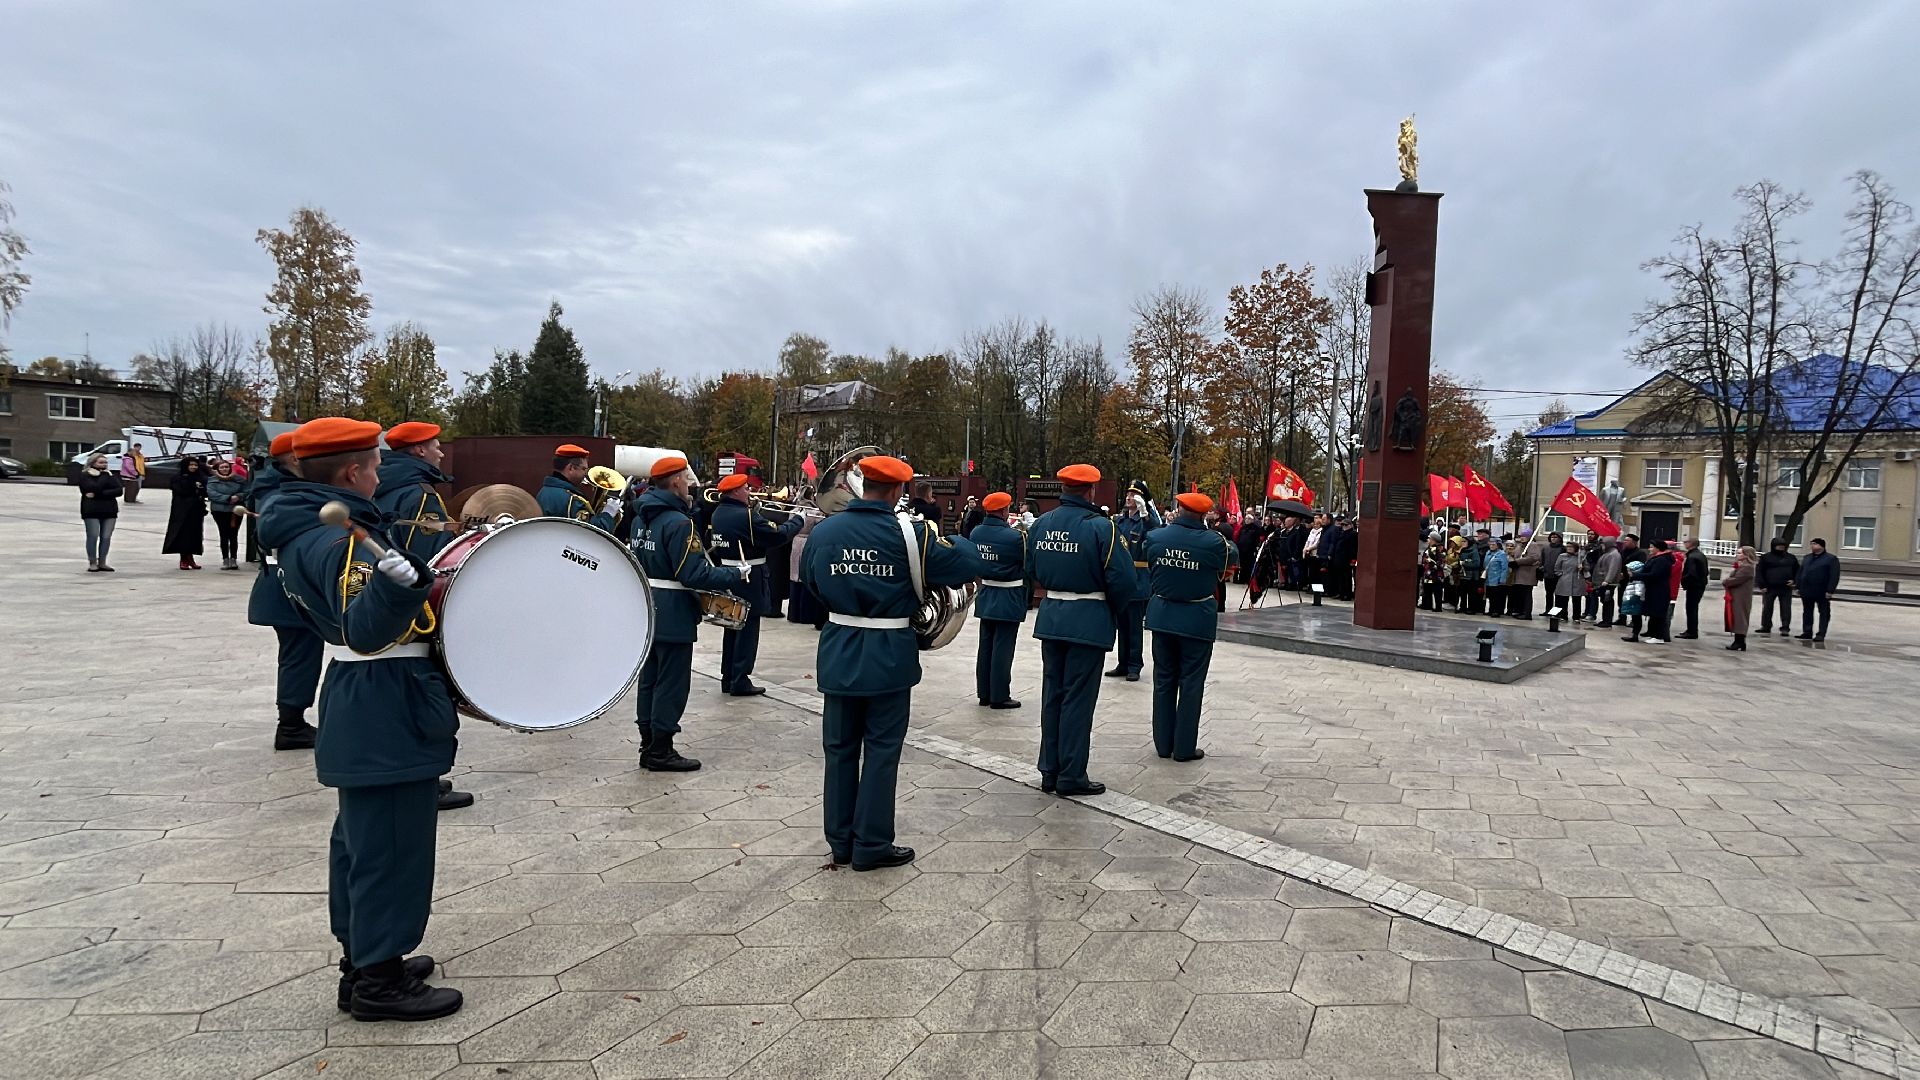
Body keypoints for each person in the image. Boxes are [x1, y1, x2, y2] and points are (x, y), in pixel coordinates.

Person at [262, 417, 459, 1022]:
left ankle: (366, 960)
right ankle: (379, 982)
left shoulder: (304, 524)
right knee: (391, 847)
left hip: (363, 696)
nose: (380, 473)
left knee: (361, 842)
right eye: (374, 465)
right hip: (383, 697)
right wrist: (399, 589)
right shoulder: (343, 539)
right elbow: (367, 630)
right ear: (353, 472)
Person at [801, 454, 984, 870]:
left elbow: (812, 584)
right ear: (899, 489)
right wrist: (950, 538)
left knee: (840, 750)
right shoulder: (911, 535)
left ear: (863, 485)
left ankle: (841, 843)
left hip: (839, 650)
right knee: (882, 751)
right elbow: (968, 563)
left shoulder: (825, 531)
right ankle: (872, 845)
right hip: (888, 656)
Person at [375, 422, 472, 811]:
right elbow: (428, 560)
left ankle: (405, 775)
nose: (441, 453)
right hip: (417, 610)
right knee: (424, 698)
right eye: (434, 446)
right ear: (417, 452)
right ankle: (421, 782)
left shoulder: (384, 485)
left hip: (386, 601)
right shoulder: (420, 494)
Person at [1026, 464, 1136, 798]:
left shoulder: (1042, 524)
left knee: (1053, 696)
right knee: (1077, 699)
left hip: (1053, 616)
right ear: (1090, 491)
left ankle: (1049, 769)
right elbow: (1123, 581)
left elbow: (1031, 568)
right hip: (1088, 617)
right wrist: (1111, 611)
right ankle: (1071, 774)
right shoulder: (1103, 528)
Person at [631, 455, 746, 771]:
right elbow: (693, 574)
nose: (689, 484)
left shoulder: (641, 518)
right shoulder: (679, 523)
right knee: (671, 682)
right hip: (673, 611)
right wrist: (734, 575)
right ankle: (661, 749)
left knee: (649, 679)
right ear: (676, 482)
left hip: (647, 606)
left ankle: (647, 742)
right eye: (686, 478)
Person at [1144, 492, 1234, 761]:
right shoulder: (1214, 542)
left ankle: (1163, 744)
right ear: (1204, 515)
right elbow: (1224, 571)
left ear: (1180, 509)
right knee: (1192, 683)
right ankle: (1183, 748)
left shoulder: (1156, 537)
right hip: (1196, 619)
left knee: (1163, 680)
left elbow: (1151, 567)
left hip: (1163, 615)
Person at [248, 432, 321, 752]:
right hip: (289, 588)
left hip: (284, 585)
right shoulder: (280, 493)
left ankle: (293, 721)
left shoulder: (271, 488)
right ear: (293, 459)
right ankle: (291, 725)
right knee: (299, 656)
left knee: (300, 655)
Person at [710, 472, 805, 697]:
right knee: (748, 628)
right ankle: (740, 678)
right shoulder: (746, 516)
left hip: (727, 572)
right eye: (745, 488)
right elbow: (777, 535)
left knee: (731, 626)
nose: (749, 492)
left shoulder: (719, 513)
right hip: (749, 576)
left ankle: (728, 676)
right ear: (734, 491)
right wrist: (797, 520)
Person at [971, 492, 1027, 710]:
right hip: (1008, 595)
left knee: (985, 646)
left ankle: (984, 693)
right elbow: (1027, 563)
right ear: (1004, 511)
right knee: (1003, 647)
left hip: (986, 592)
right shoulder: (1014, 537)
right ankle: (999, 695)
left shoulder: (976, 532)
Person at [375, 423, 457, 562]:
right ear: (420, 450)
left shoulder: (379, 485)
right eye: (437, 448)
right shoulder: (422, 496)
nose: (441, 454)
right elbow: (436, 558)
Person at [1108, 482, 1161, 682]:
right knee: (1122, 625)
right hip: (1122, 578)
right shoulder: (1120, 521)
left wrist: (1145, 512)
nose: (1129, 497)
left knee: (1134, 626)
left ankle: (1134, 665)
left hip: (1139, 578)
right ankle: (1122, 663)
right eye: (1128, 494)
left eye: (1134, 495)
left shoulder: (1144, 521)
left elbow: (1156, 530)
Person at [538, 444, 619, 531]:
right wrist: (607, 515)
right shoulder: (573, 500)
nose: (585, 474)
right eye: (584, 469)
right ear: (571, 468)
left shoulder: (543, 492)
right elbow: (591, 534)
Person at [163, 456, 209, 570]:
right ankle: (183, 558)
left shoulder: (201, 477)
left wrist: (199, 490)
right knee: (182, 534)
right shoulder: (177, 478)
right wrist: (195, 488)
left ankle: (191, 558)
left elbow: (205, 491)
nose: (193, 467)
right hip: (181, 511)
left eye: (195, 465)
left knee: (194, 534)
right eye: (191, 465)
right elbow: (181, 491)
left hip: (196, 510)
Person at [79, 452, 122, 572]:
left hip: (109, 510)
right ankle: (92, 562)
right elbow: (92, 488)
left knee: (106, 537)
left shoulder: (110, 475)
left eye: (105, 462)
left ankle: (102, 562)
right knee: (93, 536)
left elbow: (119, 490)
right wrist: (104, 478)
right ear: (93, 463)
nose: (104, 465)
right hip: (91, 510)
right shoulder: (85, 475)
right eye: (101, 462)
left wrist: (100, 494)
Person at [1629, 539, 1677, 643]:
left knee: (1657, 613)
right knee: (1654, 612)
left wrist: (1636, 575)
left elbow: (1654, 575)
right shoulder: (1657, 558)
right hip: (1654, 589)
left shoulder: (1661, 560)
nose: (1649, 549)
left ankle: (1658, 636)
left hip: (1659, 590)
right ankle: (1654, 634)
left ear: (1658, 548)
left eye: (1651, 547)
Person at [207, 458, 250, 570]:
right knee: (224, 534)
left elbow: (247, 490)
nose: (225, 469)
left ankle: (234, 559)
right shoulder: (212, 480)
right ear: (217, 469)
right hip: (219, 510)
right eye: (222, 467)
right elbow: (212, 494)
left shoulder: (239, 479)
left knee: (233, 534)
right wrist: (228, 498)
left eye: (226, 467)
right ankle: (225, 559)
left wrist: (239, 496)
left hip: (235, 511)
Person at [1797, 539, 1840, 642]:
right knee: (1807, 611)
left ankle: (1821, 633)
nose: (1812, 546)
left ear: (1822, 546)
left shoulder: (1830, 559)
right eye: (1811, 544)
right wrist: (1798, 586)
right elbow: (1801, 572)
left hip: (1822, 591)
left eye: (1815, 544)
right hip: (1806, 590)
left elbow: (1834, 576)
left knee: (1824, 612)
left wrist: (1830, 590)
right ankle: (1807, 632)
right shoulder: (1807, 558)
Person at [1757, 538, 1799, 637]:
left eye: (1783, 546)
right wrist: (1762, 585)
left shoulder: (1791, 558)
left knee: (1786, 608)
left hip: (1786, 587)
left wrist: (1794, 581)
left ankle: (1785, 627)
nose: (1781, 547)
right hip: (1769, 587)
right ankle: (1766, 626)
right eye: (1778, 545)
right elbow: (1759, 571)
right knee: (1767, 607)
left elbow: (1798, 571)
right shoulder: (1766, 557)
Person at [1721, 545, 1756, 651]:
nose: (1737, 555)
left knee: (1740, 617)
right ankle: (1739, 640)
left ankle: (1739, 641)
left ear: (1746, 555)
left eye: (1740, 553)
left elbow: (1737, 579)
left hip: (1741, 596)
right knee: (1736, 616)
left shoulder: (1747, 567)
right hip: (1736, 595)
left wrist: (1726, 581)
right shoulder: (1742, 566)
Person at [1677, 537, 1710, 638]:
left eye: (1686, 542)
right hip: (1699, 585)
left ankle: (1692, 632)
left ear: (1691, 544)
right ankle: (1691, 630)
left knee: (1691, 609)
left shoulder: (1692, 557)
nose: (1684, 544)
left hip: (1694, 586)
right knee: (1692, 608)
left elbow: (1691, 573)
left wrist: (1682, 580)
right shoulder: (1700, 555)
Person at [1592, 536, 1623, 627]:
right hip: (1603, 582)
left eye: (1603, 544)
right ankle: (1605, 619)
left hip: (1608, 583)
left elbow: (1613, 568)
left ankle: (1607, 620)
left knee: (1607, 600)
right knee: (1605, 600)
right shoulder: (1607, 553)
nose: (1602, 546)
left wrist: (1607, 580)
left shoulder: (1614, 554)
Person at [1507, 536, 1539, 619]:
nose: (1522, 538)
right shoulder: (1519, 546)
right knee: (1519, 594)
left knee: (1526, 594)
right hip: (1518, 573)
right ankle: (1519, 611)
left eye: (1524, 536)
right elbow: (1515, 555)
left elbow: (1533, 558)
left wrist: (1517, 562)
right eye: (1521, 536)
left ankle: (1526, 613)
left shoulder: (1532, 545)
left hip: (1527, 574)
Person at [1552, 540, 1585, 619]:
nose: (1569, 548)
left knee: (1576, 600)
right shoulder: (1562, 556)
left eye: (1571, 547)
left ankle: (1576, 617)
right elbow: (1556, 568)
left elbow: (1587, 567)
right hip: (1564, 580)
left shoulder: (1580, 557)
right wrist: (1561, 575)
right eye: (1568, 547)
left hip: (1577, 580)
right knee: (1561, 599)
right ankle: (1561, 615)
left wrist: (1582, 567)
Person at [1538, 532, 1566, 614]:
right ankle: (1548, 610)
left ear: (1560, 539)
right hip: (1547, 574)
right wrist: (1542, 567)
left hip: (1558, 575)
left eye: (1555, 537)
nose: (1553, 538)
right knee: (1549, 594)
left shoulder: (1562, 548)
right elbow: (1542, 559)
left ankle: (1556, 612)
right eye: (1552, 537)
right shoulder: (1545, 547)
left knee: (1558, 594)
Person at [1418, 536, 1447, 611]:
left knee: (1437, 591)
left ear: (1434, 540)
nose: (1428, 540)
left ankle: (1438, 607)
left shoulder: (1440, 549)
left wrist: (1433, 567)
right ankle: (1427, 605)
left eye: (1429, 538)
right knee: (1427, 590)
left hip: (1436, 574)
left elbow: (1441, 562)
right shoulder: (1428, 548)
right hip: (1427, 573)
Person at [1483, 541, 1511, 617]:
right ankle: (1491, 610)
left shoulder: (1501, 554)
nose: (1491, 546)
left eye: (1493, 545)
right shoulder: (1488, 553)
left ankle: (1497, 611)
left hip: (1497, 577)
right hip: (1489, 577)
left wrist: (1502, 579)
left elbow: (1504, 568)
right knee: (1490, 595)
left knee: (1497, 596)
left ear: (1498, 545)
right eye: (1490, 544)